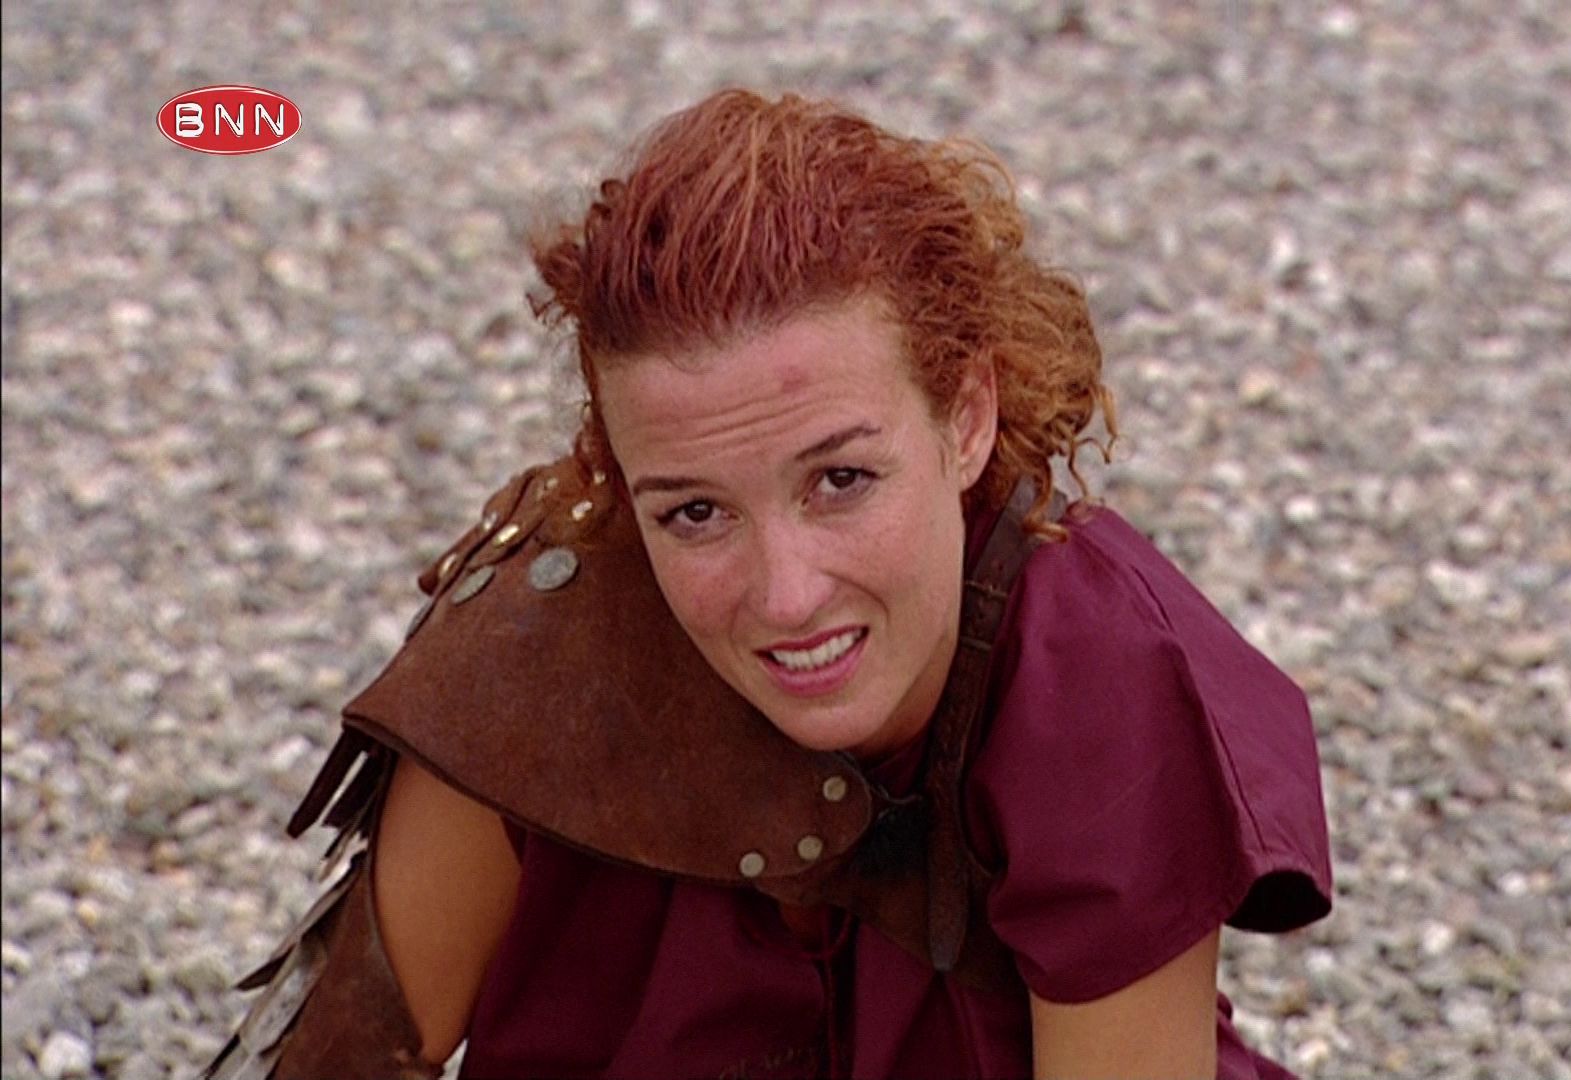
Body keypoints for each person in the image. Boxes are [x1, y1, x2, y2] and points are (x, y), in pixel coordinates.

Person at [205, 87, 1333, 1080]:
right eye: (695, 513)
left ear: (966, 418)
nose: (787, 597)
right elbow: (340, 1060)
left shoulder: (1099, 678)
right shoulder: (531, 666)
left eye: (841, 480)